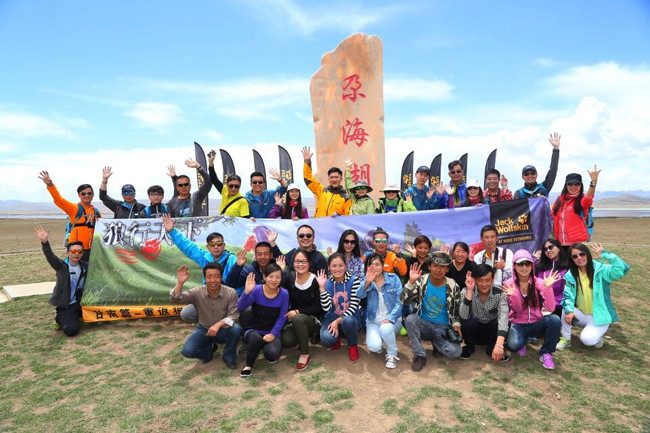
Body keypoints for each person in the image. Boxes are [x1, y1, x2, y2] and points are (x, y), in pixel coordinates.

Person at [163, 214, 238, 322]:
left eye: (219, 244)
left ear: (224, 245)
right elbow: (187, 246)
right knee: (186, 314)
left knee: (241, 315)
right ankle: (208, 322)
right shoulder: (204, 257)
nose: (216, 247)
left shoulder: (232, 259)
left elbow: (238, 280)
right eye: (212, 244)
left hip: (228, 298)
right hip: (209, 297)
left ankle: (228, 321)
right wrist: (171, 231)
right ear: (208, 247)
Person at [557, 243, 630, 350]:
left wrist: (605, 254)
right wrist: (570, 311)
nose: (579, 258)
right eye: (575, 256)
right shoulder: (571, 274)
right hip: (581, 315)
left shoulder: (601, 270)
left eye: (582, 254)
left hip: (599, 317)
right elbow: (568, 296)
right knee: (566, 308)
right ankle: (566, 339)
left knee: (587, 340)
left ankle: (596, 337)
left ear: (587, 254)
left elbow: (623, 268)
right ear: (572, 259)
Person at [170, 263, 242, 369]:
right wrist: (180, 283)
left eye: (216, 276)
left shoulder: (231, 293)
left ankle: (229, 355)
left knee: (236, 329)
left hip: (223, 330)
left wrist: (218, 325)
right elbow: (176, 299)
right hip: (204, 329)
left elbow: (233, 316)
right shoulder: (197, 292)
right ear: (205, 278)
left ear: (221, 277)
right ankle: (209, 350)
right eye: (209, 277)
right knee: (187, 351)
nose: (213, 280)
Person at [402, 252, 463, 371]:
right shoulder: (421, 281)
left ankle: (437, 343)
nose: (438, 270)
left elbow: (456, 310)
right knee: (410, 319)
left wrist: (456, 324)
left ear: (447, 269)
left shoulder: (453, 286)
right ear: (429, 266)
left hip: (443, 328)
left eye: (443, 267)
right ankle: (419, 355)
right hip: (424, 324)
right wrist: (410, 282)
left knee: (455, 353)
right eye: (435, 265)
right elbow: (404, 301)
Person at [504, 249, 562, 370]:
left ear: (532, 265)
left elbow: (551, 308)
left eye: (527, 263)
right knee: (514, 345)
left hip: (536, 323)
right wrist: (515, 295)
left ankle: (546, 352)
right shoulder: (508, 284)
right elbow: (518, 310)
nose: (524, 267)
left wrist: (547, 288)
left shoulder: (539, 282)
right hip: (517, 324)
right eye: (520, 264)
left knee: (555, 320)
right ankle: (524, 339)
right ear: (514, 266)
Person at [237, 264, 289, 377]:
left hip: (271, 331)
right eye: (271, 276)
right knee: (255, 338)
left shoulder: (284, 294)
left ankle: (258, 346)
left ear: (281, 279)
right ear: (264, 277)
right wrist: (246, 292)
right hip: (254, 329)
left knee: (272, 354)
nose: (274, 280)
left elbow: (282, 317)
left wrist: (273, 334)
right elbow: (241, 307)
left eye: (277, 277)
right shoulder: (257, 290)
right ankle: (249, 365)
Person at [34, 226, 86, 337]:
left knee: (99, 318)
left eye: (80, 251)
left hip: (81, 302)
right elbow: (50, 256)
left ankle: (78, 315)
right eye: (73, 251)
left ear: (82, 253)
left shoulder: (85, 266)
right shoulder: (61, 266)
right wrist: (45, 243)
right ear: (67, 252)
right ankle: (60, 319)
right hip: (67, 305)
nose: (76, 254)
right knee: (72, 331)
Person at [38, 170, 101, 262]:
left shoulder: (96, 212)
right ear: (79, 195)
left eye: (89, 193)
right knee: (75, 270)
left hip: (94, 249)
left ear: (93, 195)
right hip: (77, 250)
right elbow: (59, 200)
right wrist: (50, 185)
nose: (86, 195)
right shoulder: (74, 209)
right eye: (83, 193)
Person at [356, 254, 403, 369]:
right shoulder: (367, 280)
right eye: (370, 265)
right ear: (366, 268)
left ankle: (392, 353)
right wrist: (367, 282)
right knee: (374, 347)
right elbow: (359, 295)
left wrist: (390, 318)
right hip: (374, 321)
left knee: (385, 329)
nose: (374, 267)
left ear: (382, 265)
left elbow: (400, 301)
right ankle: (383, 339)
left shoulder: (393, 278)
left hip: (392, 320)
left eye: (377, 264)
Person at [281, 250, 323, 371]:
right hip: (294, 320)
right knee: (286, 341)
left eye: (304, 261)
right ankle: (302, 337)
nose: (300, 264)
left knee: (297, 318)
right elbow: (277, 290)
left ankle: (305, 354)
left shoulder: (315, 280)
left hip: (312, 320)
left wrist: (298, 311)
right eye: (297, 261)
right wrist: (281, 271)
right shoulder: (290, 277)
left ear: (309, 263)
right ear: (292, 263)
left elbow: (318, 307)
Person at [459, 265, 510, 363]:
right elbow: (463, 316)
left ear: (492, 280)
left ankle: (492, 349)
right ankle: (469, 347)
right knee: (469, 321)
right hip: (474, 333)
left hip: (491, 334)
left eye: (487, 280)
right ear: (474, 280)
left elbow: (503, 316)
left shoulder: (500, 293)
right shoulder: (466, 291)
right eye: (480, 280)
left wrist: (499, 345)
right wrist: (470, 291)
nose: (484, 284)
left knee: (502, 321)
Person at [318, 253, 361, 361]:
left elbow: (354, 306)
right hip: (332, 317)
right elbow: (326, 308)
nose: (337, 269)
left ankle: (352, 345)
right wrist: (322, 288)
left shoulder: (354, 280)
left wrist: (337, 321)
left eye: (340, 265)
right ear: (329, 267)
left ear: (345, 265)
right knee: (326, 340)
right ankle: (336, 337)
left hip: (350, 318)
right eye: (334, 266)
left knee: (348, 321)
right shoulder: (327, 282)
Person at [551, 167, 601, 246]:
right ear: (566, 185)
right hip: (560, 244)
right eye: (570, 184)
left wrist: (593, 182)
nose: (573, 186)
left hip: (576, 245)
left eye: (576, 184)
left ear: (581, 185)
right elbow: (551, 216)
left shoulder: (582, 201)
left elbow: (588, 199)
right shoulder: (560, 201)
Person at [301, 146, 351, 217]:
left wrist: (338, 216)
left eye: (336, 177)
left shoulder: (346, 198)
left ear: (341, 179)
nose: (334, 179)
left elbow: (348, 218)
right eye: (331, 177)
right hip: (318, 224)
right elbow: (308, 179)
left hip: (335, 225)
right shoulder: (322, 191)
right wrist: (307, 162)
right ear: (328, 179)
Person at [513, 132, 561, 199]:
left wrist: (556, 149)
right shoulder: (519, 193)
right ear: (522, 177)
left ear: (536, 175)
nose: (530, 176)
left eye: (533, 173)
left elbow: (553, 171)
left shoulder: (544, 188)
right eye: (526, 174)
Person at [535, 238, 569, 317]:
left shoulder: (567, 267)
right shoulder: (539, 266)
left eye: (551, 247)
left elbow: (567, 292)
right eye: (545, 249)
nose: (548, 251)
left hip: (559, 306)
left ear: (559, 248)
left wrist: (553, 304)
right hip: (540, 306)